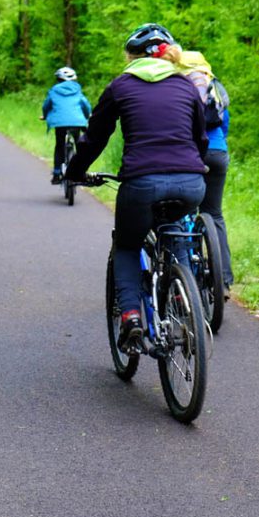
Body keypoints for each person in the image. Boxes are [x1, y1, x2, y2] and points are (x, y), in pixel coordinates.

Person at [65, 23, 208, 352]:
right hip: (190, 182)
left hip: (141, 182)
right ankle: (185, 304)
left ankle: (131, 316)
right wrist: (193, 167)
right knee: (175, 233)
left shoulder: (121, 86)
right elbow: (199, 138)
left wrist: (76, 172)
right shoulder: (186, 86)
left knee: (127, 246)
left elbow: (94, 138)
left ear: (131, 57)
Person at [179, 51, 234, 297]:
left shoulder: (178, 87)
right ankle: (222, 279)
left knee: (185, 212)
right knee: (214, 214)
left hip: (190, 154)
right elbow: (225, 124)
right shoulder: (214, 86)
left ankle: (188, 276)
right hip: (218, 152)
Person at [41, 66, 92, 184]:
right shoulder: (77, 90)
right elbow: (85, 105)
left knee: (59, 146)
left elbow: (46, 105)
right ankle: (80, 172)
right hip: (77, 123)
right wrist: (88, 115)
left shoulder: (53, 90)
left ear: (59, 80)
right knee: (80, 146)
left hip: (60, 124)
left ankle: (57, 173)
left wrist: (44, 115)